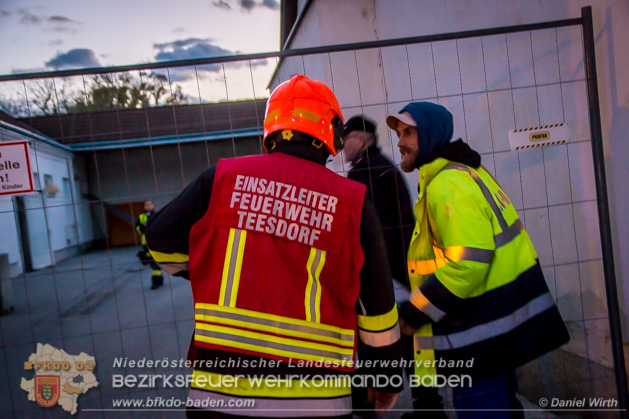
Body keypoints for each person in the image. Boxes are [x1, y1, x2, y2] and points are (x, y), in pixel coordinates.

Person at [145, 75, 403, 418]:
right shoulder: (351, 201)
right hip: (317, 402)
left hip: (220, 396)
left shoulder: (220, 179)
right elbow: (377, 309)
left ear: (270, 127)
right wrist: (386, 380)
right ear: (332, 133)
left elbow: (160, 243)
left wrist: (210, 269)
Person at [385, 101, 570, 418]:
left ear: (431, 135)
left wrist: (416, 311)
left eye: (409, 132)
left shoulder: (448, 183)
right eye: (400, 133)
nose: (400, 142)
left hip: (479, 333)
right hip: (495, 325)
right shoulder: (464, 172)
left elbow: (468, 263)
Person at [342, 115, 417, 416]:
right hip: (401, 274)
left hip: (386, 280)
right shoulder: (385, 168)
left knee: (379, 354)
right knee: (409, 352)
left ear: (360, 139)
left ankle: (376, 407)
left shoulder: (364, 174)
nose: (341, 145)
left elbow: (368, 235)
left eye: (346, 138)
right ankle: (428, 406)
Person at [135, 199, 163, 290]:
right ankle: (158, 281)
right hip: (146, 244)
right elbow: (138, 230)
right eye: (146, 205)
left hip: (157, 243)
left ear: (153, 205)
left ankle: (157, 281)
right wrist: (143, 226)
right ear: (144, 207)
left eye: (149, 204)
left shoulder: (158, 215)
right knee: (153, 263)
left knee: (156, 263)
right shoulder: (141, 217)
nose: (148, 206)